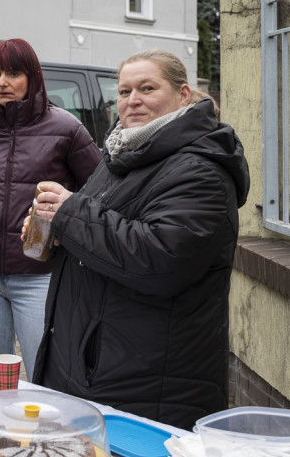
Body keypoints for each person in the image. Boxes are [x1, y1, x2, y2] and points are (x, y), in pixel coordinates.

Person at [30, 49, 250, 430]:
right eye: (125, 91)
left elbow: (160, 259)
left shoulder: (200, 169)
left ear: (183, 95)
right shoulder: (124, 153)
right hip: (94, 370)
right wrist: (57, 235)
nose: (133, 100)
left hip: (148, 385)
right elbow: (106, 238)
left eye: (147, 88)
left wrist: (71, 215)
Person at [0, 38, 101, 378]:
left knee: (43, 374)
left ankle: (41, 433)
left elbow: (97, 192)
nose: (2, 82)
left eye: (13, 73)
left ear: (33, 77)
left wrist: (64, 228)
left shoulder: (67, 130)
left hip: (39, 276)